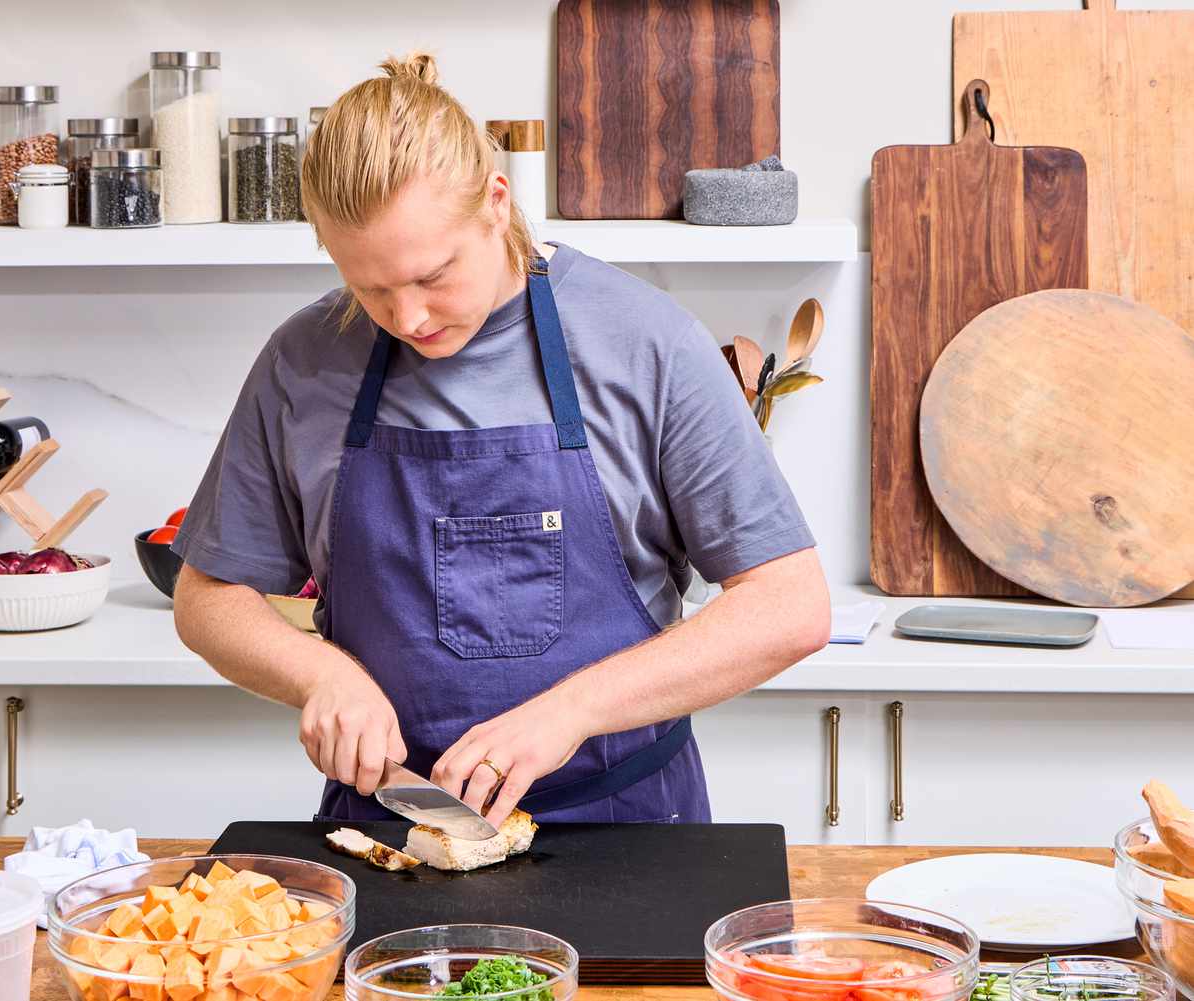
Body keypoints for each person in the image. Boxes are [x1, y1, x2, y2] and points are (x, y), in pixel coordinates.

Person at [172, 52, 830, 829]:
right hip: (392, 834)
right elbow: (206, 598)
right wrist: (317, 674)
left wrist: (575, 709)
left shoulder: (646, 344)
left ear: (496, 201)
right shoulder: (305, 358)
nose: (409, 317)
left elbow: (791, 605)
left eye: (433, 275)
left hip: (628, 828)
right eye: (370, 288)